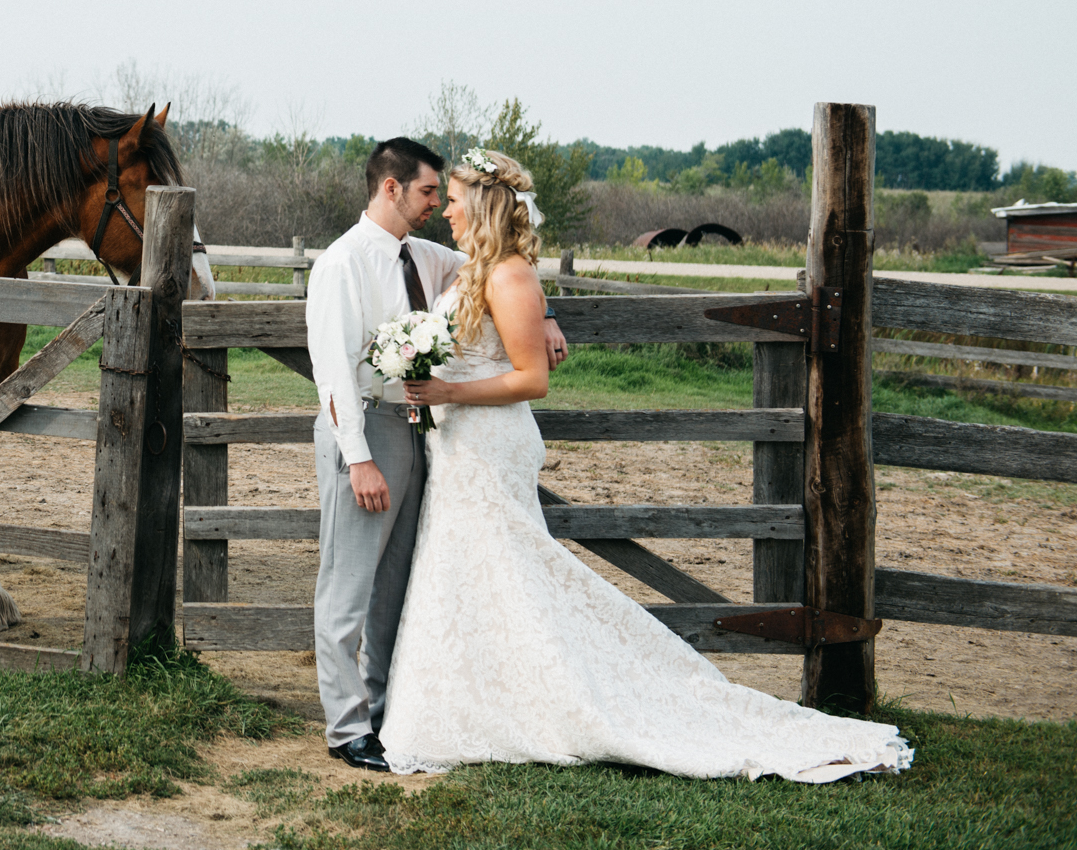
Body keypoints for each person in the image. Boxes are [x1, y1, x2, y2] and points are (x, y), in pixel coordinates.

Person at [380, 148, 913, 781]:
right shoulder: (482, 269)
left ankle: (558, 700)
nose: (448, 212)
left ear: (486, 204)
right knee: (474, 570)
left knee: (508, 565)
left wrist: (448, 392)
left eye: (459, 201)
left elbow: (531, 379)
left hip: (489, 442)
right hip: (459, 446)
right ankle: (481, 700)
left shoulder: (508, 276)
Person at [305, 137, 569, 771]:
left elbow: (501, 264)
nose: (436, 205)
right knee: (348, 585)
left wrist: (549, 313)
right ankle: (346, 730)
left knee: (396, 583)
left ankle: (384, 711)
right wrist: (358, 457)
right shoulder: (342, 264)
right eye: (428, 192)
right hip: (365, 429)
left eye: (444, 196)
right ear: (391, 188)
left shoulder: (422, 256)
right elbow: (334, 372)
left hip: (421, 433)